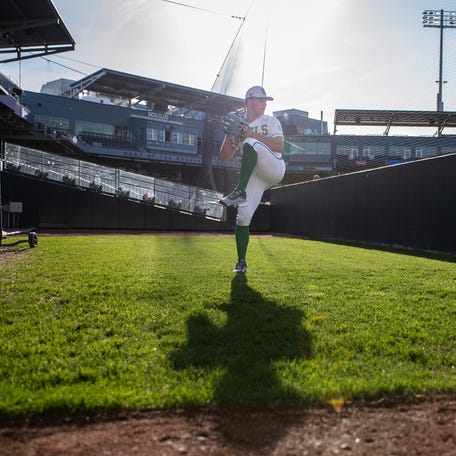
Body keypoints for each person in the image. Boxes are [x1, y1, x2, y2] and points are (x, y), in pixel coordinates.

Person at [219, 85, 286, 273]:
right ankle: (241, 261)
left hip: (274, 166)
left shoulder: (269, 120)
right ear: (248, 101)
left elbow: (279, 145)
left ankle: (239, 191)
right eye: (260, 99)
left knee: (250, 142)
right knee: (243, 217)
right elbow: (224, 157)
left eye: (266, 100)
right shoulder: (239, 126)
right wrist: (229, 133)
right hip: (255, 175)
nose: (264, 103)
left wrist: (248, 133)